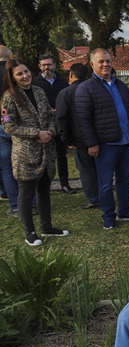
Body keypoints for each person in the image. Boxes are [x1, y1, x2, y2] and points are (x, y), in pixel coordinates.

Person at [1, 59, 69, 246]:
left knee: (44, 190)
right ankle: (30, 232)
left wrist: (48, 132)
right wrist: (36, 133)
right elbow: (8, 125)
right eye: (20, 74)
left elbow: (48, 114)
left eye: (26, 71)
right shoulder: (9, 96)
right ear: (13, 78)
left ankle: (47, 227)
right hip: (26, 154)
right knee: (26, 192)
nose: (25, 76)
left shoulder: (39, 91)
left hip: (46, 149)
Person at [75, 48, 129, 229]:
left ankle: (124, 211)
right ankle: (108, 216)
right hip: (105, 146)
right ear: (92, 64)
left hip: (124, 143)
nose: (105, 64)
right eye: (101, 62)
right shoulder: (86, 88)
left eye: (107, 61)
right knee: (105, 184)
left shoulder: (120, 85)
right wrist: (92, 143)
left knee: (126, 180)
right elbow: (83, 120)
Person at [56, 63, 99, 209]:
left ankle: (93, 198)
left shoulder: (65, 93)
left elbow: (61, 119)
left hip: (78, 138)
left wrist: (66, 139)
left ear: (70, 75)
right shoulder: (95, 89)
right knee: (100, 167)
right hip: (97, 136)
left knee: (85, 169)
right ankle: (103, 194)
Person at [33, 54, 73, 194]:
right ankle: (45, 186)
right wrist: (47, 110)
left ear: (54, 65)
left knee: (62, 155)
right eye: (44, 65)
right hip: (44, 125)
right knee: (45, 157)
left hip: (60, 122)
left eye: (49, 64)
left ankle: (65, 184)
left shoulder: (62, 82)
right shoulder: (35, 84)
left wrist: (60, 109)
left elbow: (69, 99)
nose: (46, 67)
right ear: (39, 66)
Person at [0, 45, 19, 216]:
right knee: (23, 162)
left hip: (0, 125)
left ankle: (15, 204)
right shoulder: (13, 72)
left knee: (6, 166)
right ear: (11, 56)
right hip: (17, 123)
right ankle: (32, 202)